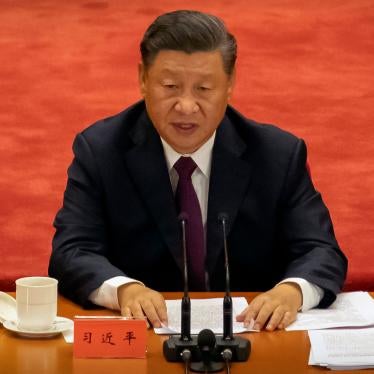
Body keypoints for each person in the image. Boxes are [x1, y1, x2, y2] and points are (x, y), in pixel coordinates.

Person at [49, 10, 347, 331]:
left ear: (230, 84)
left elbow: (321, 251)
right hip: (147, 339)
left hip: (253, 338)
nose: (186, 106)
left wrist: (292, 292)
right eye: (170, 86)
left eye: (204, 89)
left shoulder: (277, 154)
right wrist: (124, 289)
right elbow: (71, 252)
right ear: (142, 80)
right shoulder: (101, 150)